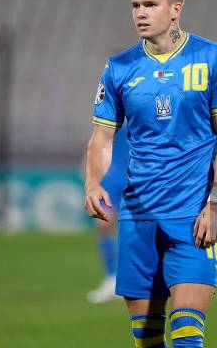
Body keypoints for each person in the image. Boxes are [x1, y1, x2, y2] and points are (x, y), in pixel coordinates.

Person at [84, 0, 217, 347]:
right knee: (146, 338)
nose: (140, 12)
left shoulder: (214, 58)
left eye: (150, 4)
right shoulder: (118, 67)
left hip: (192, 216)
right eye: (135, 5)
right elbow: (101, 138)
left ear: (175, 8)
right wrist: (93, 182)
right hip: (138, 216)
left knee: (188, 332)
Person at [85, 124, 129, 304]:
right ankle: (111, 278)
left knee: (140, 228)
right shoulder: (114, 105)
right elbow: (97, 139)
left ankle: (135, 280)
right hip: (114, 174)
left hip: (141, 173)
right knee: (103, 224)